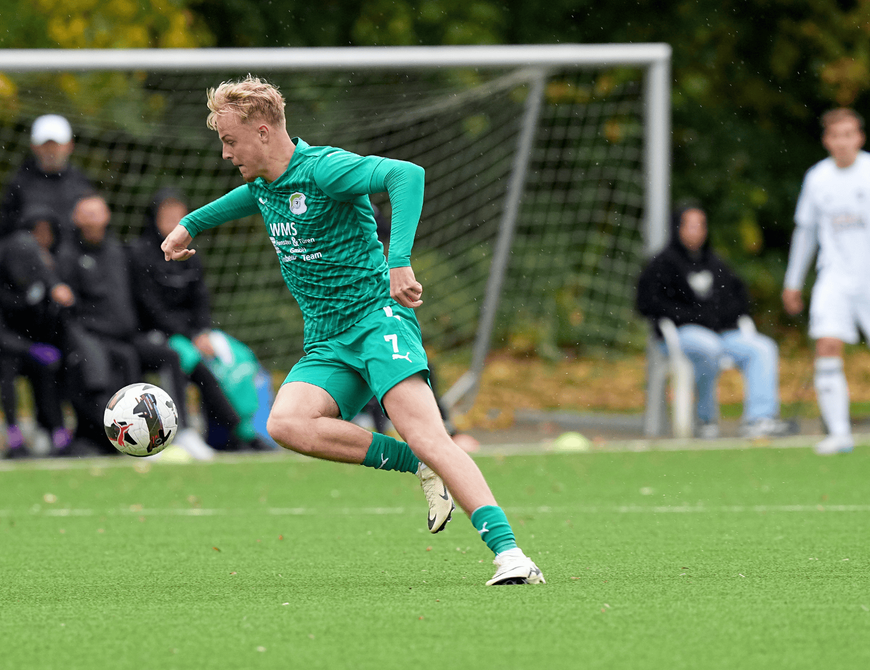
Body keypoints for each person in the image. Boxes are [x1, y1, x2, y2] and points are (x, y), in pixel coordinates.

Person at [160, 75, 544, 586]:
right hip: (327, 340)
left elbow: (407, 175)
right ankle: (416, 463)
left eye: (231, 141)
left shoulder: (325, 169)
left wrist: (398, 260)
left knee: (429, 434)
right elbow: (241, 201)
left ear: (263, 132)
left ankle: (511, 555)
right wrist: (188, 225)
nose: (226, 153)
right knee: (286, 424)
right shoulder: (266, 186)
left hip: (377, 321)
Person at [56, 193, 221, 458]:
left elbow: (146, 296)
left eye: (97, 213)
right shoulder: (67, 257)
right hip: (96, 339)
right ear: (76, 218)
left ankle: (183, 432)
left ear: (107, 215)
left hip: (130, 336)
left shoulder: (120, 253)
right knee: (125, 361)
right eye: (87, 214)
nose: (93, 220)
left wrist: (185, 329)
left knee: (169, 356)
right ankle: (140, 438)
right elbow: (68, 311)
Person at [127, 188, 270, 451]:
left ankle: (244, 431)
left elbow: (200, 298)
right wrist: (191, 336)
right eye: (166, 215)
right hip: (158, 334)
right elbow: (150, 308)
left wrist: (203, 331)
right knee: (198, 365)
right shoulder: (139, 253)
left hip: (194, 332)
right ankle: (232, 434)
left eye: (178, 215)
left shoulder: (190, 254)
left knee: (236, 357)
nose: (172, 220)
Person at [637, 205, 793, 439]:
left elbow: (738, 300)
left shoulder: (716, 263)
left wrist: (717, 318)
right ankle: (705, 418)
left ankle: (760, 419)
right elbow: (649, 305)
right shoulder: (662, 264)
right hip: (681, 335)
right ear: (677, 227)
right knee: (707, 346)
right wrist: (695, 317)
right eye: (690, 225)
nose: (696, 231)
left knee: (763, 348)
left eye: (701, 225)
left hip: (722, 334)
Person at [782, 107, 870, 455]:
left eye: (849, 134)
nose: (843, 142)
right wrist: (793, 281)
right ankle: (839, 433)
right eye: (836, 135)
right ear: (826, 141)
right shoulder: (817, 178)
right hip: (834, 276)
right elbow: (806, 233)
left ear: (859, 137)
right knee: (827, 346)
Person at [0, 208, 75, 457]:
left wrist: (55, 297)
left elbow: (51, 322)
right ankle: (13, 436)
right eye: (36, 234)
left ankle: (57, 433)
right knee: (7, 365)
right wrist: (29, 348)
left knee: (51, 366)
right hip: (7, 348)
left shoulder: (45, 278)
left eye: (46, 233)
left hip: (33, 346)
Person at [0, 114, 94, 242]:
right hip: (30, 250)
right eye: (45, 145)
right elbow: (6, 229)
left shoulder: (81, 183)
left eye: (56, 145)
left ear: (70, 145)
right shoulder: (19, 183)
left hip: (72, 251)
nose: (51, 150)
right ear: (34, 146)